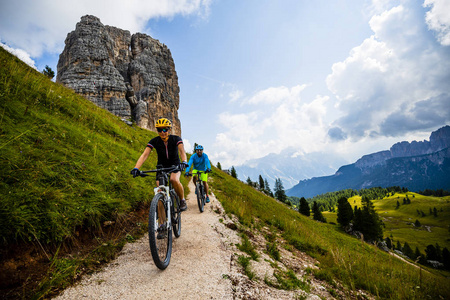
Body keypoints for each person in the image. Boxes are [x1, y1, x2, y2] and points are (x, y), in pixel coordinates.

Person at [131, 118, 189, 211]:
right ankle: (162, 223)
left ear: (169, 129)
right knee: (159, 191)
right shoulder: (154, 141)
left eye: (165, 129)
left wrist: (184, 161)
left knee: (173, 179)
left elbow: (182, 151)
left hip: (175, 165)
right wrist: (136, 168)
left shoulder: (176, 139)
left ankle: (182, 200)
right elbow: (145, 154)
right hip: (161, 167)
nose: (162, 132)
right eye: (159, 130)